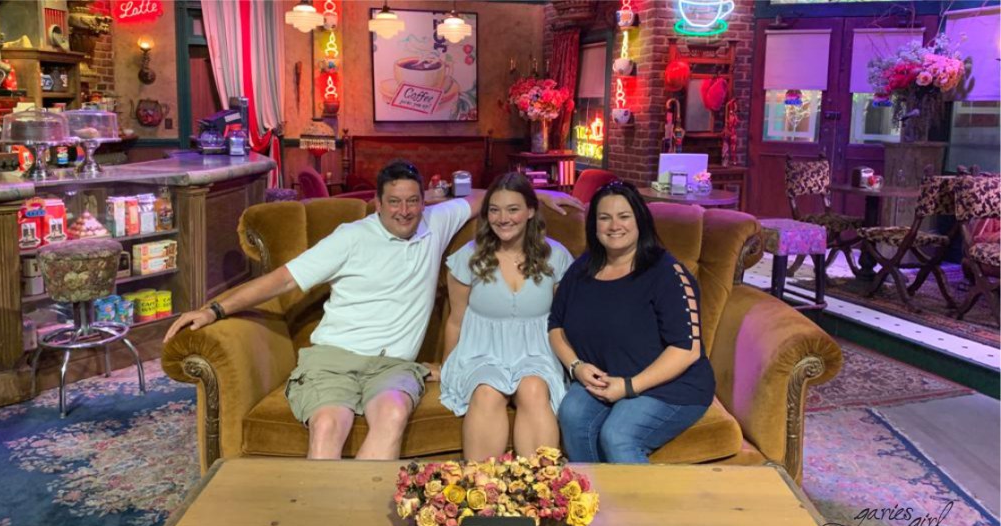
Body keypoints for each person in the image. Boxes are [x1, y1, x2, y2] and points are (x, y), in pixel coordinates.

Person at [163, 160, 581, 460]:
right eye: (394, 201)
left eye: (412, 201)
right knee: (328, 424)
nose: (404, 211)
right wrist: (215, 309)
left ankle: (360, 519)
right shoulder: (350, 238)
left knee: (393, 414)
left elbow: (485, 199)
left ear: (424, 201)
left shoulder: (434, 224)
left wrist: (541, 194)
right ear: (377, 203)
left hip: (392, 366)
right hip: (334, 358)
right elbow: (283, 279)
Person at [548, 181, 714, 463]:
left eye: (624, 216)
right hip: (603, 377)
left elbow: (687, 350)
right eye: (604, 217)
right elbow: (556, 325)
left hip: (668, 385)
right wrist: (576, 367)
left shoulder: (668, 273)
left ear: (640, 220)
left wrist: (629, 386)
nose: (614, 226)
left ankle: (634, 495)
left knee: (618, 434)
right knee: (572, 413)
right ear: (594, 225)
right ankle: (592, 490)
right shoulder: (582, 269)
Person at [440, 172, 573, 461]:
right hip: (481, 351)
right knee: (487, 391)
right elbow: (455, 320)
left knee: (533, 389)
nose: (503, 219)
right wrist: (447, 365)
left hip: (537, 351)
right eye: (495, 210)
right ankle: (481, 483)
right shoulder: (469, 257)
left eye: (513, 209)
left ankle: (541, 482)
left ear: (530, 211)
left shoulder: (556, 256)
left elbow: (565, 321)